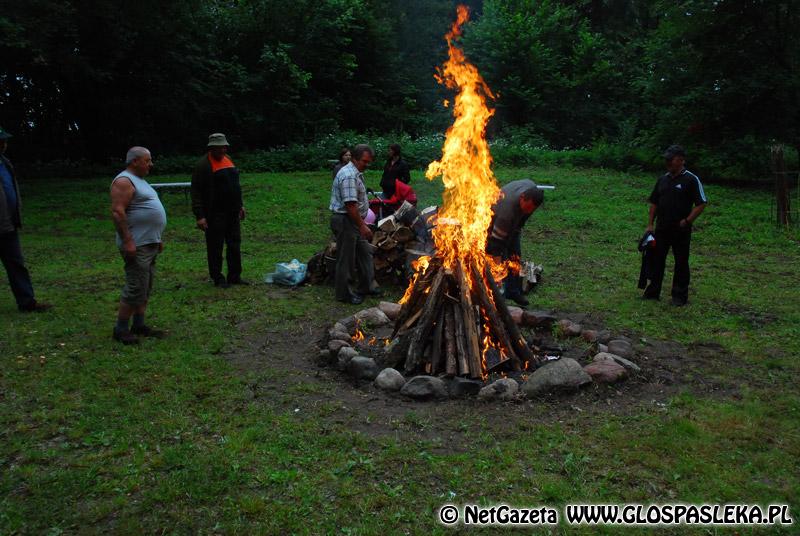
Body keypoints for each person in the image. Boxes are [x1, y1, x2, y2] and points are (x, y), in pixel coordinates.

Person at [110, 147, 167, 344]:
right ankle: (121, 328)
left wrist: (156, 238)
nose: (150, 164)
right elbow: (118, 212)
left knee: (146, 285)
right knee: (136, 286)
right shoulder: (124, 181)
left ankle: (139, 324)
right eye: (147, 160)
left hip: (148, 243)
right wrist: (127, 241)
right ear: (134, 161)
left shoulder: (140, 181)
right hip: (137, 244)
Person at [642, 145, 707, 306]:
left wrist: (687, 221)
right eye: (667, 159)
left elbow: (701, 204)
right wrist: (650, 224)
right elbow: (654, 203)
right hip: (662, 227)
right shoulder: (663, 179)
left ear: (681, 160)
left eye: (671, 159)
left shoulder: (691, 179)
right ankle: (652, 292)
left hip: (680, 229)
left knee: (681, 261)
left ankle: (679, 296)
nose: (668, 163)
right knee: (657, 260)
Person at [0, 126, 52, 312]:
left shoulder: (5, 163)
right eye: (1, 141)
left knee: (16, 264)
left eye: (4, 140)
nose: (4, 144)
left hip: (8, 224)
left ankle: (27, 302)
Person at [191, 133, 247, 288]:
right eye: (220, 147)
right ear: (212, 148)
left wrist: (240, 205)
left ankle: (235, 276)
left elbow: (235, 185)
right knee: (215, 246)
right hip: (214, 213)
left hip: (232, 212)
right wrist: (200, 216)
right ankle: (218, 277)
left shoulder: (228, 160)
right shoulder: (203, 165)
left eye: (224, 146)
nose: (223, 149)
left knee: (234, 244)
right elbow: (196, 191)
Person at [329, 144, 380, 304]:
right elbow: (350, 205)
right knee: (347, 259)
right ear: (355, 159)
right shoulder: (349, 175)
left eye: (369, 161)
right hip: (346, 221)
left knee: (364, 253)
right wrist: (362, 225)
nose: (367, 164)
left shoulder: (356, 173)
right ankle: (344, 294)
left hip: (353, 220)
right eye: (365, 161)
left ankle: (366, 286)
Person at [486, 179, 544, 307]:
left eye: (531, 209)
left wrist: (516, 229)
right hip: (492, 219)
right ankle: (499, 294)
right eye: (527, 207)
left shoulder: (533, 194)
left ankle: (514, 291)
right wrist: (498, 266)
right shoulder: (507, 210)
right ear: (522, 198)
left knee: (515, 256)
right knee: (501, 257)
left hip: (513, 224)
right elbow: (496, 243)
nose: (528, 211)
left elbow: (525, 215)